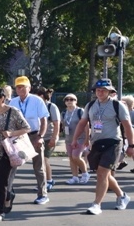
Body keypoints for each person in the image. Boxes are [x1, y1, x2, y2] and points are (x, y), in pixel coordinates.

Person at [72, 78, 133, 215]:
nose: (100, 92)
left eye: (104, 90)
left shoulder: (118, 105)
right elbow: (82, 123)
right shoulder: (91, 105)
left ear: (110, 91)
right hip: (97, 143)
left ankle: (96, 204)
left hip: (113, 142)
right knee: (103, 174)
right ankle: (122, 196)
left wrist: (131, 145)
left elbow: (127, 126)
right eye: (98, 90)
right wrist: (75, 139)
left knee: (102, 174)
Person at [0, 88, 30, 222]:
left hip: (7, 152)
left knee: (1, 182)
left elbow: (26, 128)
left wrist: (11, 133)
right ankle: (8, 195)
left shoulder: (12, 112)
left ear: (2, 98)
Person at [9, 76, 50, 205]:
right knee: (12, 164)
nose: (20, 89)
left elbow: (44, 119)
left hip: (34, 135)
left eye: (23, 86)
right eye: (18, 87)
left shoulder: (37, 100)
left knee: (38, 166)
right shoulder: (13, 102)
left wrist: (40, 137)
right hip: (19, 136)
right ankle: (7, 192)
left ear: (29, 88)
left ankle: (42, 194)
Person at [35, 87, 60, 191]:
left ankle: (49, 180)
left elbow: (57, 123)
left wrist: (54, 137)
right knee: (38, 162)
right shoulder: (35, 107)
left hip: (49, 136)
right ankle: (42, 182)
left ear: (42, 96)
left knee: (44, 160)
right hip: (38, 137)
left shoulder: (51, 106)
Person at [62, 94, 89, 184]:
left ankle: (85, 174)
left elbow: (86, 124)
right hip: (68, 138)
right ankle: (75, 176)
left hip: (80, 138)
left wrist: (87, 138)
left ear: (76, 101)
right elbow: (63, 124)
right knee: (71, 158)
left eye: (72, 99)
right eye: (67, 100)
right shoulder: (64, 112)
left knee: (76, 156)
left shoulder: (80, 111)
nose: (69, 101)